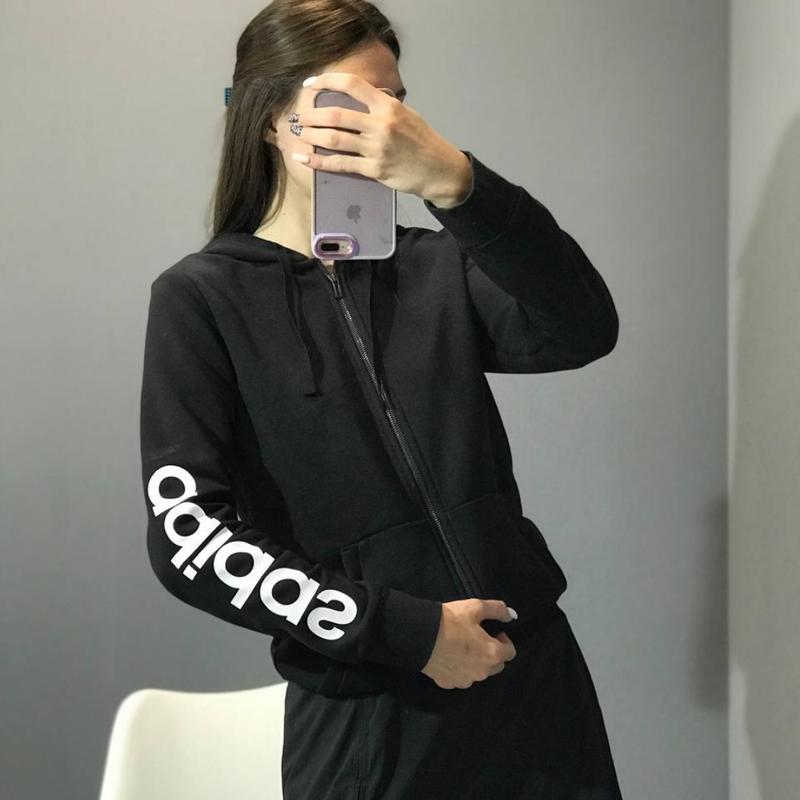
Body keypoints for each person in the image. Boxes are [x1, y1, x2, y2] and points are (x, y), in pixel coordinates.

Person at [138, 1, 624, 797]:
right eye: (350, 100)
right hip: (371, 711)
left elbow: (580, 329)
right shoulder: (203, 299)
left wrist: (461, 185)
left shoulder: (437, 266)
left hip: (533, 682)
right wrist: (406, 633)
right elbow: (188, 535)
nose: (382, 123)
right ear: (272, 117)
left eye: (393, 101)